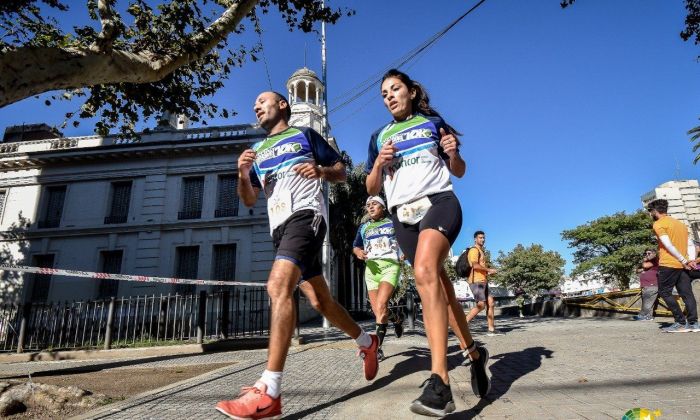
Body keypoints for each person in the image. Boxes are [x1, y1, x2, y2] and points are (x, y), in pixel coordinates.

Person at [215, 91, 379, 420]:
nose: (256, 106)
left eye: (263, 101)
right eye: (255, 104)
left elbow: (342, 171)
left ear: (283, 105)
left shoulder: (304, 135)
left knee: (277, 287)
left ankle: (269, 390)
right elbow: (249, 199)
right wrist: (241, 174)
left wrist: (319, 170)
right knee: (321, 302)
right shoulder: (257, 151)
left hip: (306, 217)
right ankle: (366, 340)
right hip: (280, 230)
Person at [366, 69, 490, 417]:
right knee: (442, 289)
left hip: (439, 203)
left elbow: (460, 170)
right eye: (384, 93)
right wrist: (378, 163)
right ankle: (475, 354)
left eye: (395, 89)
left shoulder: (433, 123)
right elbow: (371, 188)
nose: (389, 95)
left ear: (410, 91)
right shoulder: (379, 136)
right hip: (401, 216)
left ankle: (440, 382)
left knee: (424, 272)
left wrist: (453, 154)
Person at [352, 196, 405, 360]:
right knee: (378, 311)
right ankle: (397, 319)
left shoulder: (394, 222)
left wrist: (404, 252)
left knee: (382, 305)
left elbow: (405, 239)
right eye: (368, 205)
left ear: (383, 207)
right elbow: (356, 246)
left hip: (390, 266)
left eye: (374, 204)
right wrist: (359, 252)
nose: (370, 207)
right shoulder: (364, 227)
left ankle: (376, 349)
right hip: (371, 270)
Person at [647, 199, 699, 333]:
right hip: (683, 264)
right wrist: (690, 260)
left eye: (650, 211)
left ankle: (680, 322)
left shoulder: (658, 224)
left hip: (669, 263)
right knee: (686, 293)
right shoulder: (679, 224)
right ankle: (693, 323)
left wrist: (682, 259)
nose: (650, 214)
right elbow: (690, 244)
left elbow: (668, 245)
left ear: (655, 211)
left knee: (664, 292)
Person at [465, 231, 500, 335]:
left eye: (484, 238)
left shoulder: (481, 251)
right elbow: (475, 266)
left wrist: (488, 272)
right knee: (481, 305)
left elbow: (480, 268)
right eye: (480, 238)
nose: (483, 240)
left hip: (483, 280)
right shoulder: (474, 250)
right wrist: (489, 270)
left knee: (491, 303)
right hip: (476, 281)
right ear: (475, 239)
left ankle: (491, 329)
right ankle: (462, 323)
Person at [633, 249, 659, 321]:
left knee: (648, 302)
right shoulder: (648, 262)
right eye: (646, 253)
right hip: (646, 285)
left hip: (652, 285)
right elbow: (637, 270)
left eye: (649, 253)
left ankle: (647, 316)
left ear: (654, 254)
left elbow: (645, 265)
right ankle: (644, 315)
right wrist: (642, 269)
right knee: (646, 301)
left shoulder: (655, 260)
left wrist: (644, 261)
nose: (647, 255)